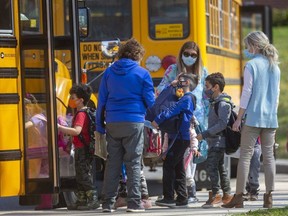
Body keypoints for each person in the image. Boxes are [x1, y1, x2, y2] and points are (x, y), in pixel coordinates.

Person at [95, 38, 155, 213]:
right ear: (137, 55)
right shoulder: (142, 73)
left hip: (112, 122)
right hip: (134, 122)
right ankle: (134, 203)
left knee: (112, 163)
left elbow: (101, 101)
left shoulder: (109, 72)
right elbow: (151, 102)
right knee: (134, 163)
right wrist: (156, 120)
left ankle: (107, 203)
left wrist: (100, 126)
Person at [222, 31, 280, 209]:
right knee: (268, 157)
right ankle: (269, 197)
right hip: (270, 119)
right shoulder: (274, 67)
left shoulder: (251, 65)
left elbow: (247, 92)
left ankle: (238, 197)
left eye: (248, 45)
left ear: (254, 46)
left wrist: (238, 118)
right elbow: (276, 96)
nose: (247, 49)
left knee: (245, 156)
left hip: (253, 117)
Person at [156, 41, 209, 203]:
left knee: (190, 156)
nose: (189, 57)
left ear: (198, 57)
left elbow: (206, 98)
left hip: (196, 120)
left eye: (193, 55)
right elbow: (160, 90)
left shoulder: (202, 72)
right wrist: (173, 84)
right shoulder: (173, 70)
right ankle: (181, 193)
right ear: (181, 54)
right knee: (178, 158)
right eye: (186, 54)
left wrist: (206, 123)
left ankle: (188, 191)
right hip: (175, 120)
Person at [153, 73, 198, 208]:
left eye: (181, 81)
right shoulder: (184, 97)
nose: (179, 82)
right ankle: (182, 198)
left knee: (169, 166)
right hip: (178, 137)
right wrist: (170, 85)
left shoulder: (187, 99)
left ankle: (168, 198)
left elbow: (172, 110)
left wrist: (157, 120)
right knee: (179, 168)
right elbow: (161, 98)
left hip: (180, 137)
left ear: (188, 83)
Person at [58, 83, 100, 210]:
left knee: (83, 175)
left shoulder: (81, 114)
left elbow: (77, 131)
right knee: (80, 174)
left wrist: (59, 128)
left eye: (73, 97)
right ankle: (81, 200)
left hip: (82, 149)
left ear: (81, 100)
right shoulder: (83, 112)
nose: (71, 99)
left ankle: (93, 199)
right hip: (81, 147)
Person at [196, 72, 233, 208]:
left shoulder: (223, 104)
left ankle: (217, 194)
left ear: (216, 87)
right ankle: (227, 195)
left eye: (207, 86)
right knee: (220, 168)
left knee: (211, 167)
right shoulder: (215, 102)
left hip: (218, 141)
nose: (206, 89)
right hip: (214, 141)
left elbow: (222, 124)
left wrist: (205, 134)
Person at [24, 94, 53, 210]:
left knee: (40, 176)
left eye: (26, 107)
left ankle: (46, 202)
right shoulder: (42, 115)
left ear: (30, 106)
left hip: (38, 150)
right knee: (44, 174)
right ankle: (46, 201)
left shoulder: (36, 117)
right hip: (43, 148)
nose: (26, 110)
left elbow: (27, 125)